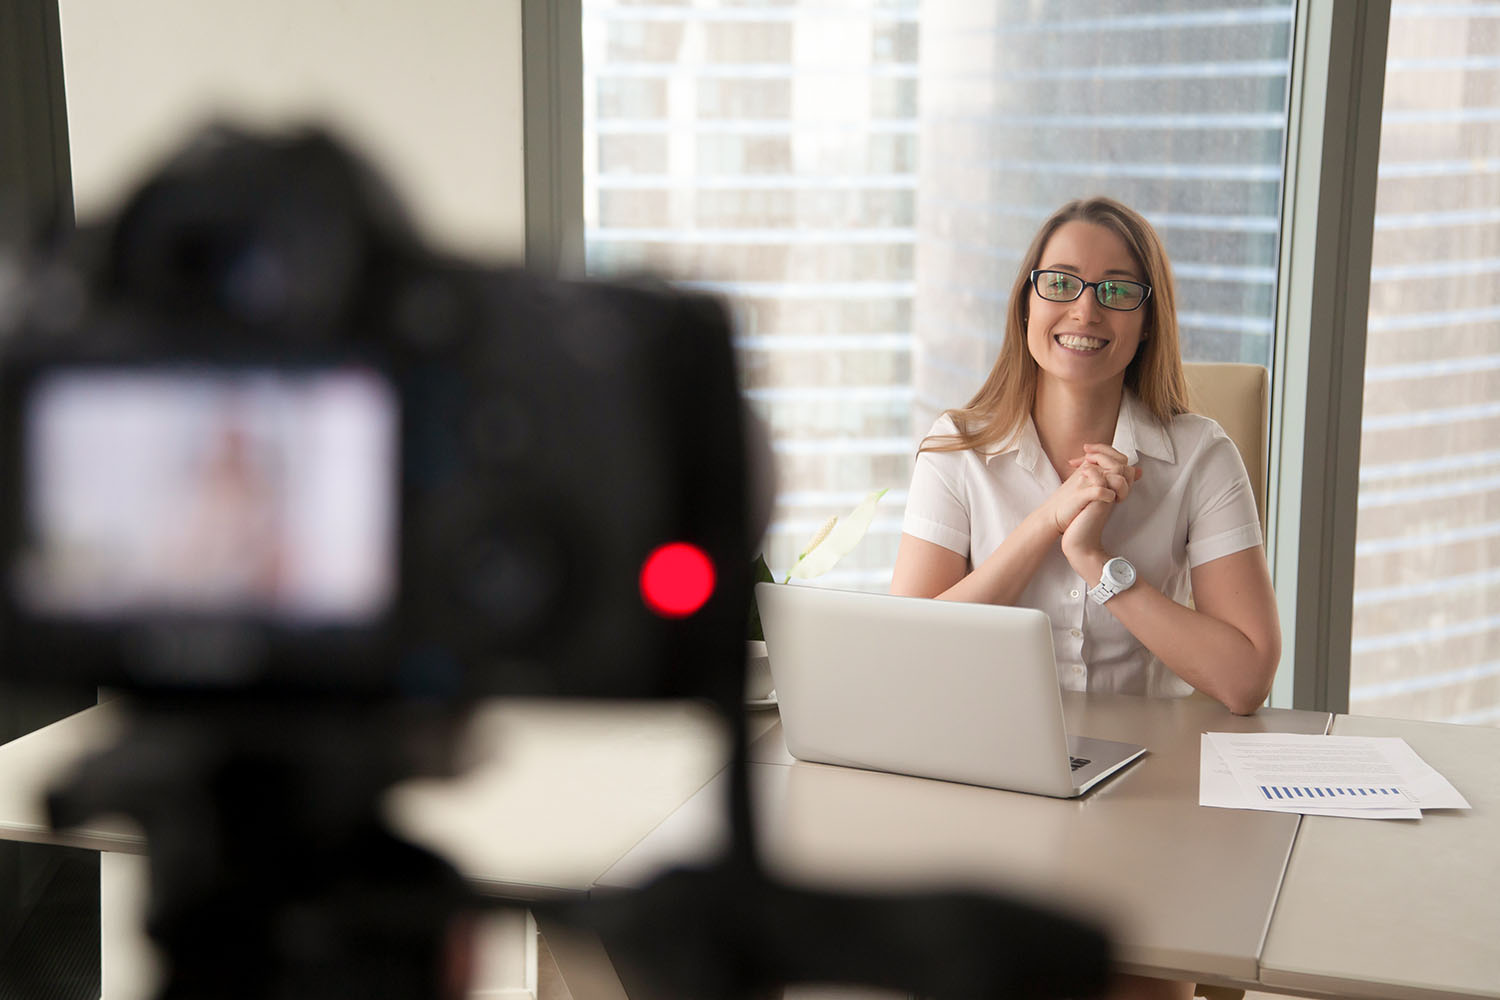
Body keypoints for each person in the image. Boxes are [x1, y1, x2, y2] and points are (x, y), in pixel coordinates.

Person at [890, 196, 1280, 718]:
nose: (1086, 310)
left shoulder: (1201, 456)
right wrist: (1046, 523)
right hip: (985, 755)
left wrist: (1095, 562)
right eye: (1059, 282)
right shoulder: (958, 449)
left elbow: (1247, 679)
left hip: (1153, 768)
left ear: (1147, 322)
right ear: (1026, 302)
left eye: (1117, 290)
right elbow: (905, 654)